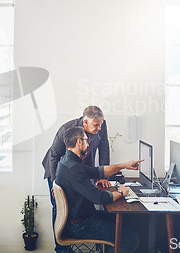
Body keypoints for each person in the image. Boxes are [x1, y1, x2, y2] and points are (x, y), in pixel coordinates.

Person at [56, 126, 142, 253]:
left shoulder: (66, 162)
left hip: (79, 219)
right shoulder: (73, 169)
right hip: (80, 225)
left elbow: (97, 171)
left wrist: (124, 165)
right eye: (86, 140)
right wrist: (121, 192)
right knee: (131, 239)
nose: (88, 144)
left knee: (126, 220)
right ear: (79, 142)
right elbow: (99, 198)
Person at [42, 106, 110, 252]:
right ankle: (61, 248)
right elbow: (54, 156)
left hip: (81, 169)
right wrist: (56, 183)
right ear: (85, 122)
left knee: (82, 203)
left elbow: (104, 149)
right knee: (59, 207)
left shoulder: (101, 126)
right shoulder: (66, 129)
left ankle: (96, 239)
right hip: (57, 170)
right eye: (95, 125)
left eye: (100, 125)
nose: (99, 128)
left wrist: (103, 176)